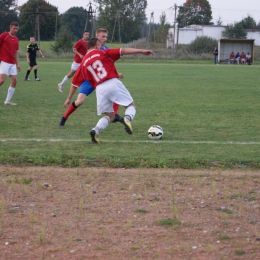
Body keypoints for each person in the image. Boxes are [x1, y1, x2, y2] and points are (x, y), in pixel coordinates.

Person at [72, 37, 154, 143]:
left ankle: (95, 130)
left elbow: (83, 81)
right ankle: (127, 118)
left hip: (99, 89)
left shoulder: (83, 64)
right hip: (111, 82)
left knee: (110, 116)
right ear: (97, 45)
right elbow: (123, 50)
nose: (101, 46)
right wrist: (142, 51)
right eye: (100, 44)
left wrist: (69, 97)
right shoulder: (102, 53)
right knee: (130, 105)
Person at [58, 28, 123, 126]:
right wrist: (69, 98)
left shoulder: (106, 49)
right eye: (103, 37)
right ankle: (64, 117)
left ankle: (115, 115)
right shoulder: (90, 50)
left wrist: (116, 73)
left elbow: (109, 64)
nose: (105, 39)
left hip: (101, 80)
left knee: (115, 92)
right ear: (96, 38)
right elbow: (80, 74)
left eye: (106, 37)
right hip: (89, 80)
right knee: (80, 101)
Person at [0, 21, 21, 105]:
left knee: (14, 81)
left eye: (17, 29)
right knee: (1, 81)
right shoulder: (4, 36)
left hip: (12, 63)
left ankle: (7, 101)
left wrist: (17, 64)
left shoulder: (16, 39)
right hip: (4, 61)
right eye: (14, 28)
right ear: (10, 28)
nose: (15, 30)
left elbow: (15, 52)